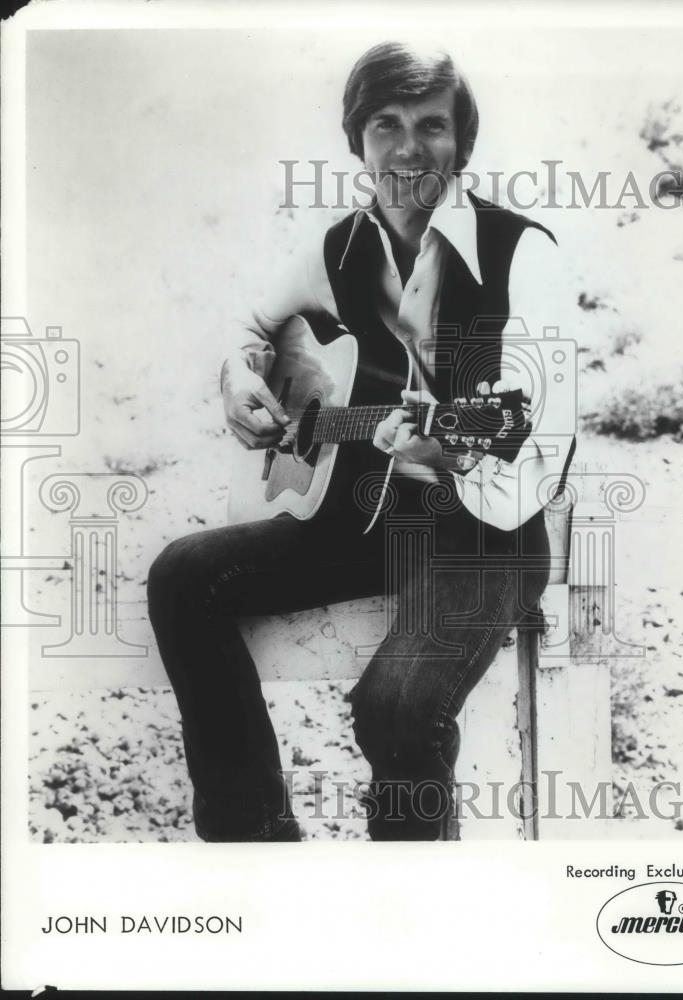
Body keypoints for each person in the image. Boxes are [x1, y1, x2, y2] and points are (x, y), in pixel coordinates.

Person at [147, 41, 575, 842]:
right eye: (385, 125)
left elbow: (539, 442)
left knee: (398, 704)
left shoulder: (523, 255)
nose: (408, 148)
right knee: (182, 576)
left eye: (431, 125)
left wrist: (451, 449)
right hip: (362, 517)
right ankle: (254, 848)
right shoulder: (334, 249)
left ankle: (405, 913)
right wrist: (238, 376)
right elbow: (249, 328)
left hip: (485, 534)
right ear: (357, 141)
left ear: (463, 142)